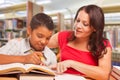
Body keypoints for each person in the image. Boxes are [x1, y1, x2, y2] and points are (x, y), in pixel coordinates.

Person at [48, 5, 112, 80]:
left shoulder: (103, 45)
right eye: (78, 21)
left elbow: (103, 75)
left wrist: (71, 63)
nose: (78, 26)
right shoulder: (64, 36)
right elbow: (40, 44)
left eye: (85, 24)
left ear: (95, 28)